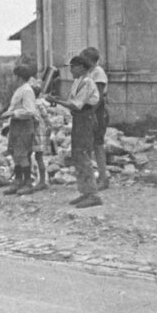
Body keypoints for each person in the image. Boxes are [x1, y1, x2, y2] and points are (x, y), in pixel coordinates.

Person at [45, 55, 101, 208]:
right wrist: (58, 100)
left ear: (82, 67)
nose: (71, 70)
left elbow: (76, 105)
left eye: (73, 67)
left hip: (86, 118)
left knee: (83, 154)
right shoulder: (77, 82)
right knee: (77, 154)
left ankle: (93, 194)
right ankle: (85, 192)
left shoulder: (88, 82)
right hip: (78, 119)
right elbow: (70, 101)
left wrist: (57, 101)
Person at [0, 62, 39, 195]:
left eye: (15, 76)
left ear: (19, 77)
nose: (13, 79)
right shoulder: (20, 89)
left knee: (22, 154)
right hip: (16, 125)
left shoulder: (27, 90)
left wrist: (13, 113)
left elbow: (30, 111)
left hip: (24, 125)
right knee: (15, 153)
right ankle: (18, 181)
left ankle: (28, 183)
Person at [80, 46, 110, 190]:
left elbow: (97, 97)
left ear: (91, 60)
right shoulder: (90, 73)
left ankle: (103, 178)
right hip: (88, 112)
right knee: (88, 146)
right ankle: (94, 177)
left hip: (97, 112)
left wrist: (91, 114)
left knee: (97, 145)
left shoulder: (98, 73)